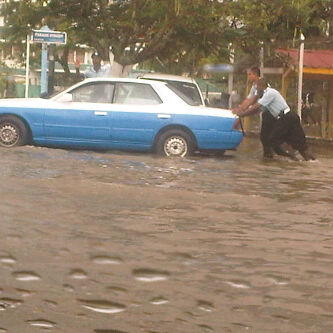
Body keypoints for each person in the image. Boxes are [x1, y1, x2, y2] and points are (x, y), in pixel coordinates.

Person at [233, 78, 315, 161]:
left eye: (257, 88)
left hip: (288, 118)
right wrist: (242, 115)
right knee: (277, 141)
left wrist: (242, 113)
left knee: (294, 143)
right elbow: (257, 110)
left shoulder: (270, 93)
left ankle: (296, 159)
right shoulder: (266, 97)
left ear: (261, 86)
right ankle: (294, 159)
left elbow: (256, 106)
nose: (256, 91)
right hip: (284, 119)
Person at [235, 66, 277, 158]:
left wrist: (242, 111)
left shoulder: (261, 84)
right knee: (264, 137)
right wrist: (240, 108)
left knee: (265, 137)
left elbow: (253, 100)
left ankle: (270, 156)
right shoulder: (254, 86)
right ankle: (269, 157)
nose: (248, 77)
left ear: (255, 75)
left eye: (250, 74)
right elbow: (248, 99)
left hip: (270, 113)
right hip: (265, 113)